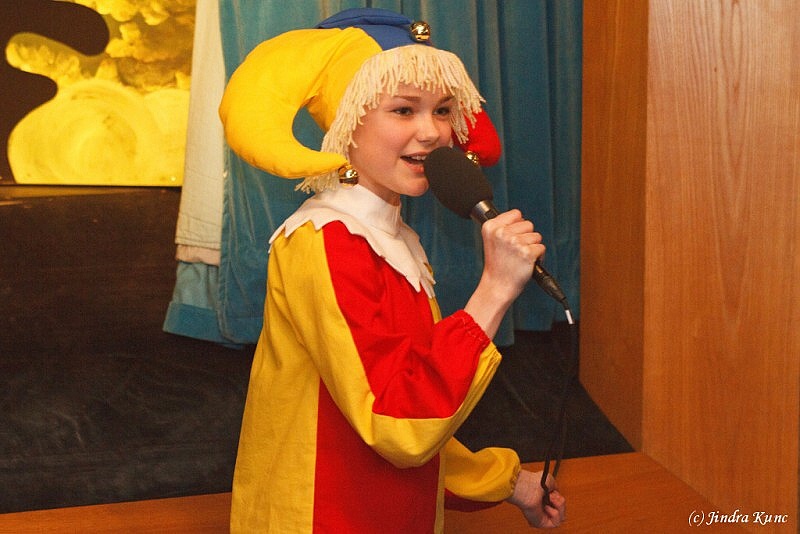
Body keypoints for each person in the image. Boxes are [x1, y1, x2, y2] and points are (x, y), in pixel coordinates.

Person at [219, 8, 566, 533]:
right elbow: (395, 422)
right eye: (403, 110)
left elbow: (406, 404)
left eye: (443, 110)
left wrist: (511, 483)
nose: (433, 132)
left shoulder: (392, 238)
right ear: (347, 119)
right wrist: (494, 290)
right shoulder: (326, 242)